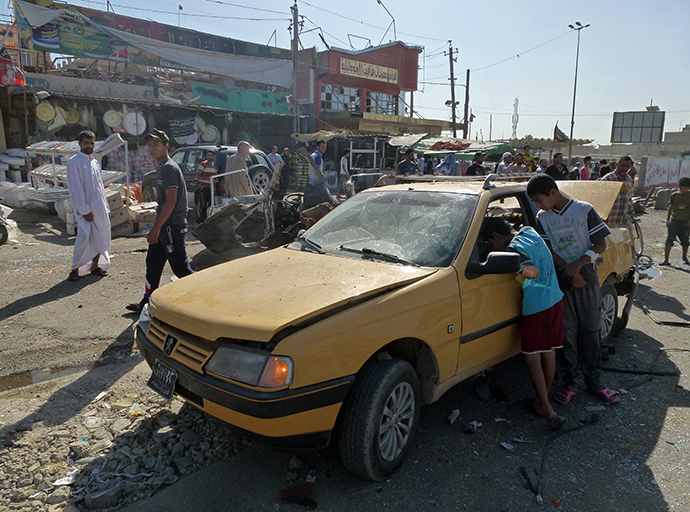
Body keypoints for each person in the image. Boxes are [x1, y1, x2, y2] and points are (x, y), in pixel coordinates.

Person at [527, 174, 619, 405]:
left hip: (585, 273)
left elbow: (600, 243)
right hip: (561, 276)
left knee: (590, 329)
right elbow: (547, 249)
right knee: (567, 332)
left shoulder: (583, 210)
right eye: (535, 203)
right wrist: (568, 270)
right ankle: (571, 381)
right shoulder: (542, 217)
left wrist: (578, 266)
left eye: (540, 200)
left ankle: (594, 380)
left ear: (553, 193)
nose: (538, 206)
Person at [481, 217, 566, 430]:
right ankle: (542, 402)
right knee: (549, 352)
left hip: (537, 306)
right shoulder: (528, 232)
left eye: (492, 244)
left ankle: (548, 410)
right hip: (555, 298)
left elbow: (532, 272)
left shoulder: (514, 249)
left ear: (496, 236)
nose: (494, 247)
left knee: (532, 358)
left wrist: (518, 270)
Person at [126, 129, 194, 313]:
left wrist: (156, 228)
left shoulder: (170, 168)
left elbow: (171, 201)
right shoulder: (162, 167)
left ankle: (204, 301)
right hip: (164, 226)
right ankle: (147, 302)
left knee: (180, 268)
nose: (152, 148)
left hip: (172, 226)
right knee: (153, 264)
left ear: (166, 147)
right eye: (149, 145)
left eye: (156, 144)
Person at [66, 130, 111, 281]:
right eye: (86, 142)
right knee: (84, 239)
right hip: (86, 209)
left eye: (92, 143)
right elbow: (76, 189)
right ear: (79, 144)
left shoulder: (94, 162)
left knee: (101, 238)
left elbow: (99, 188)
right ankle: (75, 269)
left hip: (99, 208)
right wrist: (84, 210)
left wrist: (105, 207)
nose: (89, 145)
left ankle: (95, 266)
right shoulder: (74, 162)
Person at [660, 176, 690, 266]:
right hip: (674, 220)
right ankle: (666, 260)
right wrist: (668, 219)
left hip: (685, 222)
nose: (683, 190)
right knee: (669, 239)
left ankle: (684, 257)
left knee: (685, 241)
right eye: (681, 188)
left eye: (685, 188)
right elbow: (671, 207)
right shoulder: (675, 195)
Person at [599, 156, 634, 229]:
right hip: (609, 222)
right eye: (622, 165)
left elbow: (629, 199)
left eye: (627, 166)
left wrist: (631, 216)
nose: (624, 168)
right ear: (617, 164)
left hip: (624, 221)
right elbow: (600, 200)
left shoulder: (629, 179)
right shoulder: (608, 179)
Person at [195, 150, 218, 223]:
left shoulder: (215, 167)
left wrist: (215, 180)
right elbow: (198, 176)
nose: (209, 157)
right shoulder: (203, 164)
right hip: (204, 187)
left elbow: (215, 176)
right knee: (203, 205)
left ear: (214, 157)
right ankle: (201, 221)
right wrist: (209, 179)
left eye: (211, 156)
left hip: (211, 188)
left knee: (211, 204)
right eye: (208, 155)